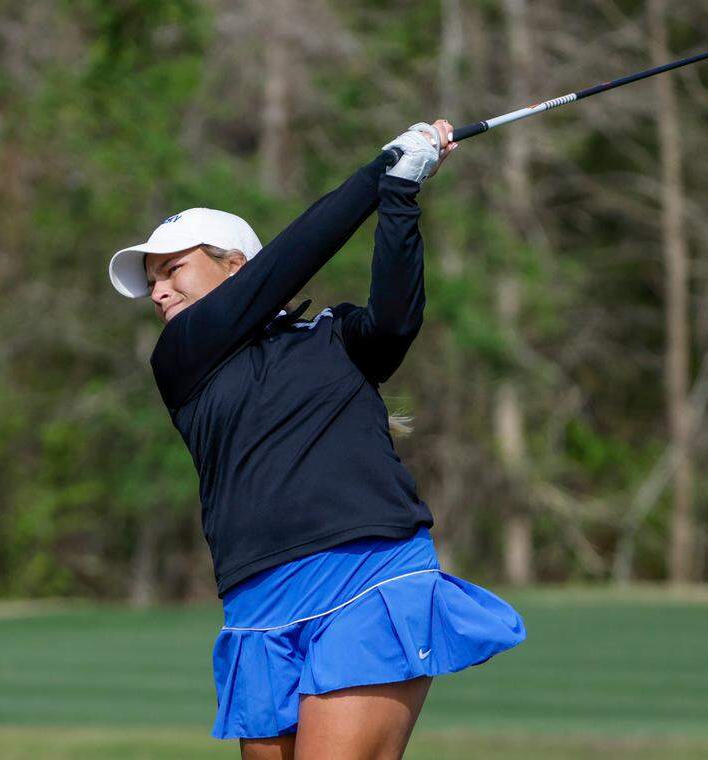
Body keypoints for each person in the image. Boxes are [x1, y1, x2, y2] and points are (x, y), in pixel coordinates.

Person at [107, 119, 526, 759]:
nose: (159, 290)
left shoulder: (332, 337)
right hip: (257, 600)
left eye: (174, 270)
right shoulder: (183, 356)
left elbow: (394, 319)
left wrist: (399, 194)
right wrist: (380, 171)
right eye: (152, 280)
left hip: (367, 574)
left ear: (234, 268)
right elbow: (294, 256)